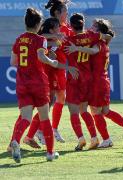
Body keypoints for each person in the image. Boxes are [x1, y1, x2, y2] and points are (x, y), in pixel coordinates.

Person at [9, 8, 78, 162]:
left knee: (25, 117)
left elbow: (13, 62)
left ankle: (15, 141)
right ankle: (50, 153)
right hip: (38, 83)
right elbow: (41, 56)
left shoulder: (19, 39)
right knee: (45, 117)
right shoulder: (41, 40)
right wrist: (52, 61)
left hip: (22, 82)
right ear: (39, 24)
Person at [65, 19, 123, 148]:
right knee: (105, 111)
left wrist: (76, 47)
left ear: (99, 31)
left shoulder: (99, 43)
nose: (91, 28)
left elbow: (93, 51)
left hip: (97, 82)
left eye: (94, 27)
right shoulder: (103, 42)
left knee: (95, 112)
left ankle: (106, 139)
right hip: (103, 80)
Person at [64, 13, 113, 151]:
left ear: (71, 25)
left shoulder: (69, 40)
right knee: (84, 110)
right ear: (83, 24)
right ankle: (94, 137)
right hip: (87, 78)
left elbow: (54, 49)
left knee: (74, 112)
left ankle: (80, 139)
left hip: (74, 77)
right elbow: (108, 36)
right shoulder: (91, 37)